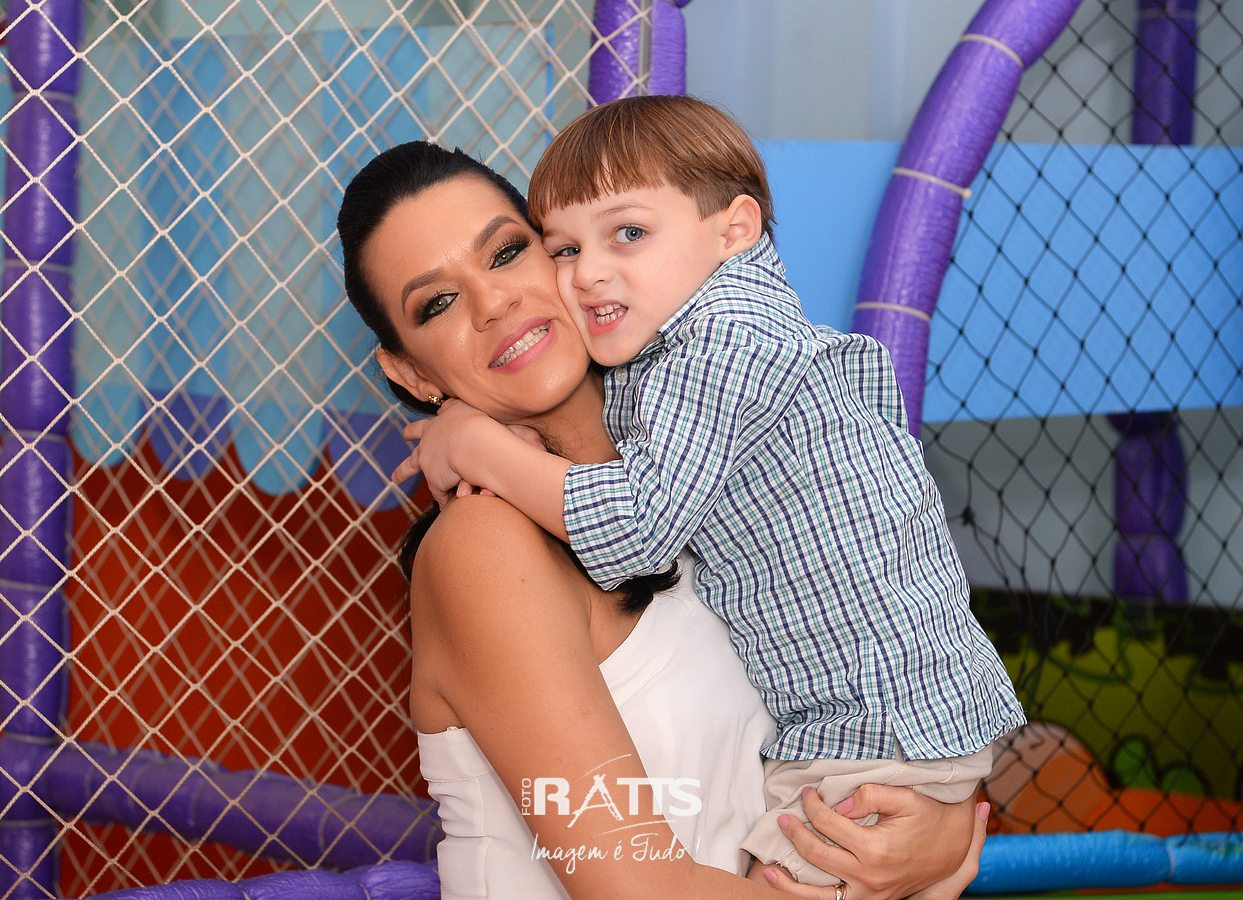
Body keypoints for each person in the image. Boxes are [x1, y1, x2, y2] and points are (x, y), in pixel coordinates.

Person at [402, 95, 1026, 887]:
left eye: (507, 253)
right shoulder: (488, 541)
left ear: (733, 231)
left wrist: (479, 444)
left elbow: (634, 524)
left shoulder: (720, 354)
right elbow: (640, 886)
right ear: (410, 372)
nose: (587, 272)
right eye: (564, 247)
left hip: (875, 738)